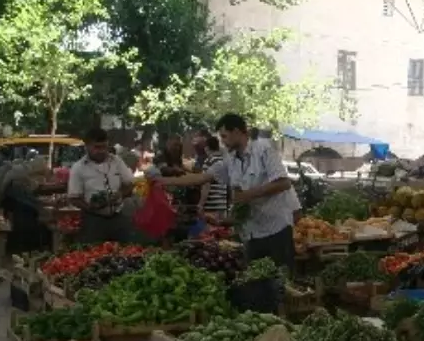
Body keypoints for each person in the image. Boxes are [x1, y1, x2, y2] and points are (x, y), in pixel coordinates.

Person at [157, 113, 299, 271]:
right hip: (251, 233)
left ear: (237, 132)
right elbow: (201, 178)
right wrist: (163, 181)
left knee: (282, 282)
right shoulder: (229, 160)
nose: (222, 142)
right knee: (258, 281)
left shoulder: (264, 149)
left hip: (276, 230)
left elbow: (283, 183)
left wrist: (247, 195)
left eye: (224, 136)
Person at [67, 127, 134, 244]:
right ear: (87, 146)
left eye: (104, 147)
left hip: (118, 217)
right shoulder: (78, 168)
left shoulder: (116, 161)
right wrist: (90, 207)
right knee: (94, 255)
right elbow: (73, 198)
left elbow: (129, 184)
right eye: (97, 147)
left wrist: (120, 194)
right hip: (93, 220)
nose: (101, 151)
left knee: (124, 252)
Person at [197, 134, 230, 220]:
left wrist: (201, 204)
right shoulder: (224, 161)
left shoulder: (209, 162)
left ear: (207, 148)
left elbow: (206, 185)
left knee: (211, 230)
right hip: (222, 203)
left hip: (211, 204)